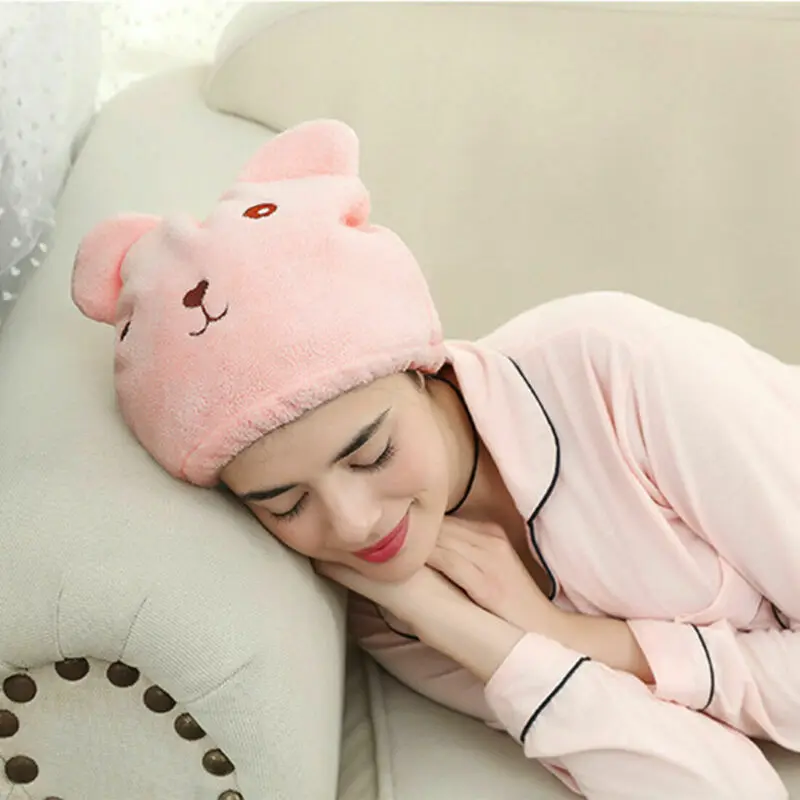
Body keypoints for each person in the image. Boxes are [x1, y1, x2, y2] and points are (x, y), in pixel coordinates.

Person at [71, 118, 800, 799]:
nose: (353, 523)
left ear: (423, 368)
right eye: (285, 503)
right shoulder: (395, 595)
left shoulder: (618, 370)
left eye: (372, 453)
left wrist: (579, 639)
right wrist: (483, 637)